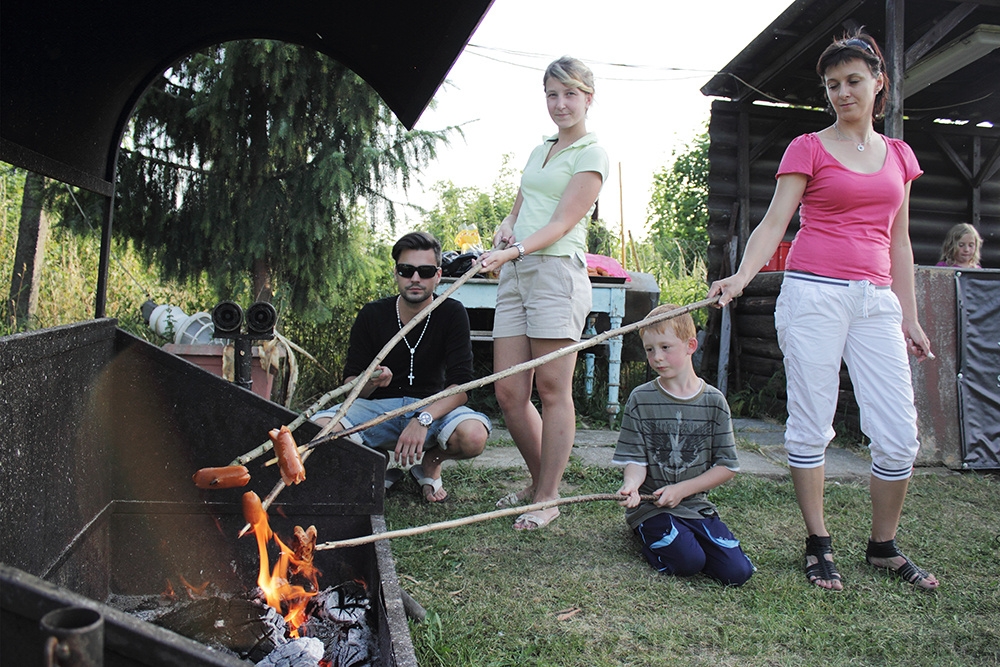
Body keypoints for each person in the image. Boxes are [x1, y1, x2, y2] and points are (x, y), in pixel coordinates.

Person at [707, 31, 940, 591]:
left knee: (899, 436)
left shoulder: (900, 156)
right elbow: (773, 223)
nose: (842, 92)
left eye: (853, 81)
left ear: (879, 83)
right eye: (832, 85)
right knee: (812, 424)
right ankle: (819, 542)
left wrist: (908, 315)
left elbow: (900, 243)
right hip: (812, 294)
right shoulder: (808, 147)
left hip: (875, 301)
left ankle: (882, 545)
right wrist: (742, 277)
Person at [478, 56, 609, 530]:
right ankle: (539, 484)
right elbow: (523, 207)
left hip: (556, 273)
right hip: (517, 272)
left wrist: (513, 255)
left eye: (570, 93)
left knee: (553, 390)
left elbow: (560, 223)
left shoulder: (592, 153)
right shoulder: (541, 149)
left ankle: (549, 497)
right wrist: (505, 227)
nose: (560, 103)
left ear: (588, 98)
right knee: (510, 391)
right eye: (552, 94)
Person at [312, 231, 491, 502]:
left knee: (474, 435)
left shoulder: (452, 313)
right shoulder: (373, 314)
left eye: (425, 271)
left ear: (439, 275)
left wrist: (423, 419)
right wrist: (368, 381)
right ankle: (375, 460)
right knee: (317, 431)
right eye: (407, 270)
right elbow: (350, 385)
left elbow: (462, 387)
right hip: (376, 408)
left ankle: (430, 463)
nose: (415, 278)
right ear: (396, 273)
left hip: (431, 406)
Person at [614, 305, 754, 586]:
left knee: (737, 573)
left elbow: (727, 466)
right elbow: (636, 459)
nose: (657, 357)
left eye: (666, 347)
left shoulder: (714, 402)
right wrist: (631, 485)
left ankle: (686, 538)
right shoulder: (640, 399)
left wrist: (682, 490)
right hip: (653, 506)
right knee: (688, 562)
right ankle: (648, 533)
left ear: (691, 345)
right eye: (650, 349)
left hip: (694, 505)